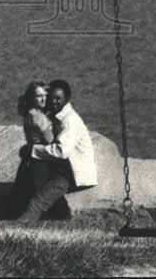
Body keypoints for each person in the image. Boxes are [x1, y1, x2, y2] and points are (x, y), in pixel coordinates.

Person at [17, 79, 98, 222]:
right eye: (51, 98)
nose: (53, 101)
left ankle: (25, 220)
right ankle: (62, 218)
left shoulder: (70, 120)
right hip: (63, 164)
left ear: (67, 99)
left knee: (46, 194)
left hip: (72, 167)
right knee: (50, 191)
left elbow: (62, 151)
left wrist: (32, 150)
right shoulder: (57, 114)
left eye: (58, 98)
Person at [13, 81, 55, 215]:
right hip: (41, 163)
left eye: (45, 95)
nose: (44, 99)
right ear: (31, 98)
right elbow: (51, 141)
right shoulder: (39, 118)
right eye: (39, 96)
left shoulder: (29, 114)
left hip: (30, 161)